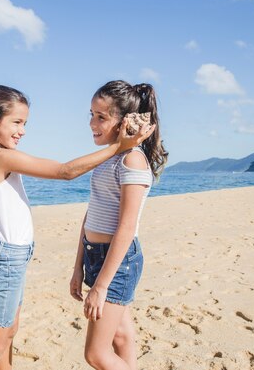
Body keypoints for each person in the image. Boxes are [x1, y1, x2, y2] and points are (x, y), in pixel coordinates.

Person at [0, 85, 154, 370]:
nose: (22, 130)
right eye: (17, 122)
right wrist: (118, 146)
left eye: (24, 123)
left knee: (6, 333)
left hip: (7, 254)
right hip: (8, 257)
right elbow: (64, 172)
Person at [69, 80, 168, 370]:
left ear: (124, 121)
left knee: (96, 354)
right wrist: (78, 267)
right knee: (122, 337)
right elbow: (91, 214)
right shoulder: (106, 158)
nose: (92, 123)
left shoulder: (132, 161)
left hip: (118, 261)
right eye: (91, 114)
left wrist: (100, 286)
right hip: (95, 255)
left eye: (101, 116)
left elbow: (126, 228)